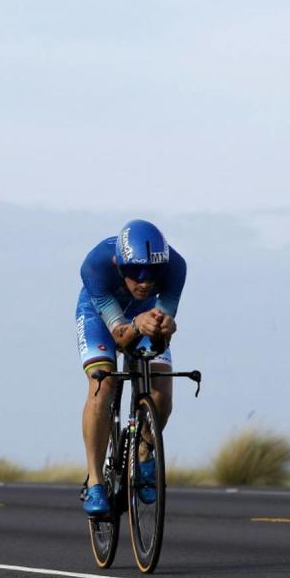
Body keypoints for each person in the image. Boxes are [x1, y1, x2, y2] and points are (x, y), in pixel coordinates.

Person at [75, 219, 186, 515]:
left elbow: (157, 343)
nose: (144, 281)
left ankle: (145, 449)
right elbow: (121, 337)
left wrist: (165, 329)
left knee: (161, 386)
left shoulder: (176, 267)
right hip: (100, 317)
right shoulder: (95, 265)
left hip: (144, 314)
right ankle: (95, 481)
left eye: (152, 272)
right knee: (104, 384)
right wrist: (137, 324)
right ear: (118, 264)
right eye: (135, 272)